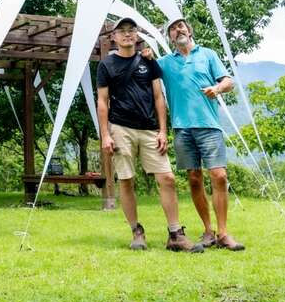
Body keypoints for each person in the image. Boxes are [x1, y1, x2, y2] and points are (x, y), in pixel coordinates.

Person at [97, 17, 202, 252]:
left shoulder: (148, 61)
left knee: (167, 178)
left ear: (137, 35)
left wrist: (163, 131)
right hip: (120, 127)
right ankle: (136, 231)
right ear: (113, 37)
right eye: (121, 31)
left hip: (149, 129)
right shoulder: (106, 65)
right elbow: (102, 101)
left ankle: (175, 234)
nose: (127, 34)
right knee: (126, 179)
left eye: (131, 30)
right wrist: (105, 134)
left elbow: (158, 97)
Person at [143, 18, 245, 251]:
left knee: (218, 175)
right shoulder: (165, 63)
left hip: (209, 126)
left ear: (189, 31)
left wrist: (217, 88)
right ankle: (208, 231)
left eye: (181, 26)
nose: (178, 29)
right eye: (172, 28)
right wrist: (147, 55)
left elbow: (229, 81)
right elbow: (147, 69)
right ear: (170, 37)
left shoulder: (207, 54)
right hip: (182, 128)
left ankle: (223, 233)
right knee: (194, 177)